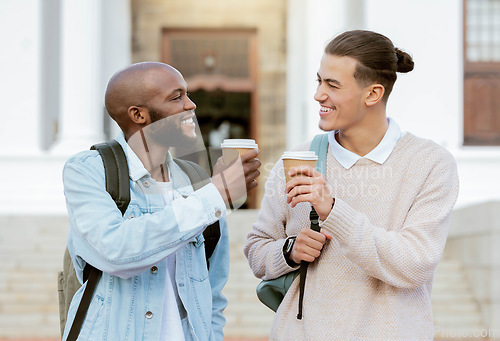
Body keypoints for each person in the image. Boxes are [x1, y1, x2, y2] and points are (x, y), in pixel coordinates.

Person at [244, 30, 459, 340]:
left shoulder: (431, 164)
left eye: (333, 85)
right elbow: (257, 249)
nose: (319, 94)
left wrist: (333, 210)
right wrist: (289, 250)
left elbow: (415, 263)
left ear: (372, 94)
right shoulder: (298, 161)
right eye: (319, 81)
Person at [62, 62, 261, 340]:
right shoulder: (87, 170)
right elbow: (116, 251)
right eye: (176, 97)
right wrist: (216, 195)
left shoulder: (197, 182)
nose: (191, 105)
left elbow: (212, 292)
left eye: (187, 94)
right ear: (139, 114)